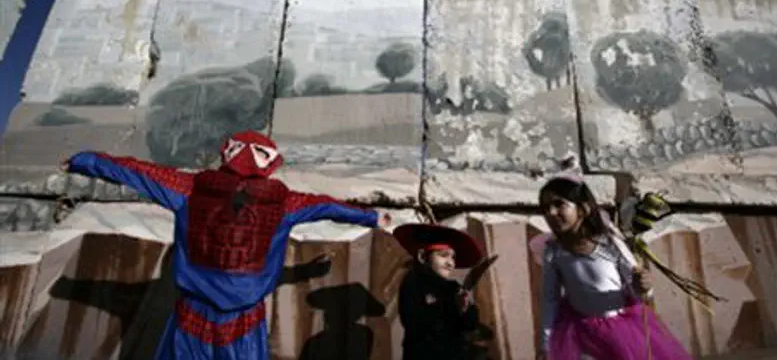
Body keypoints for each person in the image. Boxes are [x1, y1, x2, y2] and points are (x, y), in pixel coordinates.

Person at [60, 130, 390, 360]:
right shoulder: (286, 203)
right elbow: (328, 206)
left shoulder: (188, 188)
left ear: (226, 155)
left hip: (193, 315)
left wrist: (84, 160)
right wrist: (373, 218)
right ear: (271, 164)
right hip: (243, 322)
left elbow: (135, 171)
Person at [534, 175, 692, 360]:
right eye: (545, 208)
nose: (551, 213)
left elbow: (635, 289)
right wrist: (546, 344)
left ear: (583, 209)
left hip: (620, 331)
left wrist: (643, 287)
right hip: (580, 332)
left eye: (559, 204)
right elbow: (550, 299)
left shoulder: (610, 244)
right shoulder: (554, 252)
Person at [393, 223, 483, 360]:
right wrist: (452, 306)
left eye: (453, 257)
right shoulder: (414, 282)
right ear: (422, 256)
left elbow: (470, 325)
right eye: (443, 255)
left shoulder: (454, 288)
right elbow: (416, 323)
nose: (450, 263)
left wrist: (466, 309)